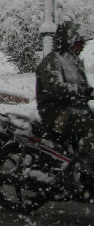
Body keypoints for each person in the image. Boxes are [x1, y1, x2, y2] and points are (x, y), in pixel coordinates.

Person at [36, 20, 94, 166]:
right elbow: (55, 88)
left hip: (76, 110)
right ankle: (81, 166)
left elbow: (83, 87)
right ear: (70, 41)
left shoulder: (75, 62)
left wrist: (88, 92)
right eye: (80, 42)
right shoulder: (52, 61)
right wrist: (80, 91)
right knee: (90, 128)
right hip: (56, 114)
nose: (83, 46)